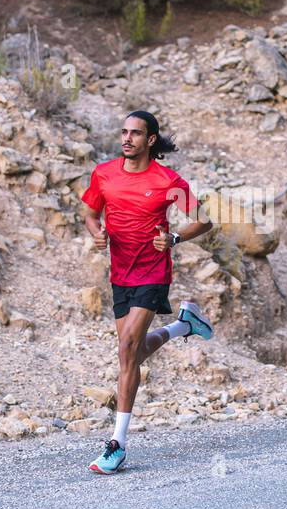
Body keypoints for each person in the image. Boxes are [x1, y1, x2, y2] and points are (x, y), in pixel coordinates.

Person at [80, 110, 214, 474]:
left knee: (125, 350)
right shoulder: (104, 173)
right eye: (123, 132)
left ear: (150, 140)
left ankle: (117, 445)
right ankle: (184, 326)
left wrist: (173, 238)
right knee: (133, 354)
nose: (127, 139)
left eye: (135, 134)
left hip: (153, 271)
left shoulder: (167, 179)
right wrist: (96, 232)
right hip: (119, 272)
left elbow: (203, 219)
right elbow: (91, 213)